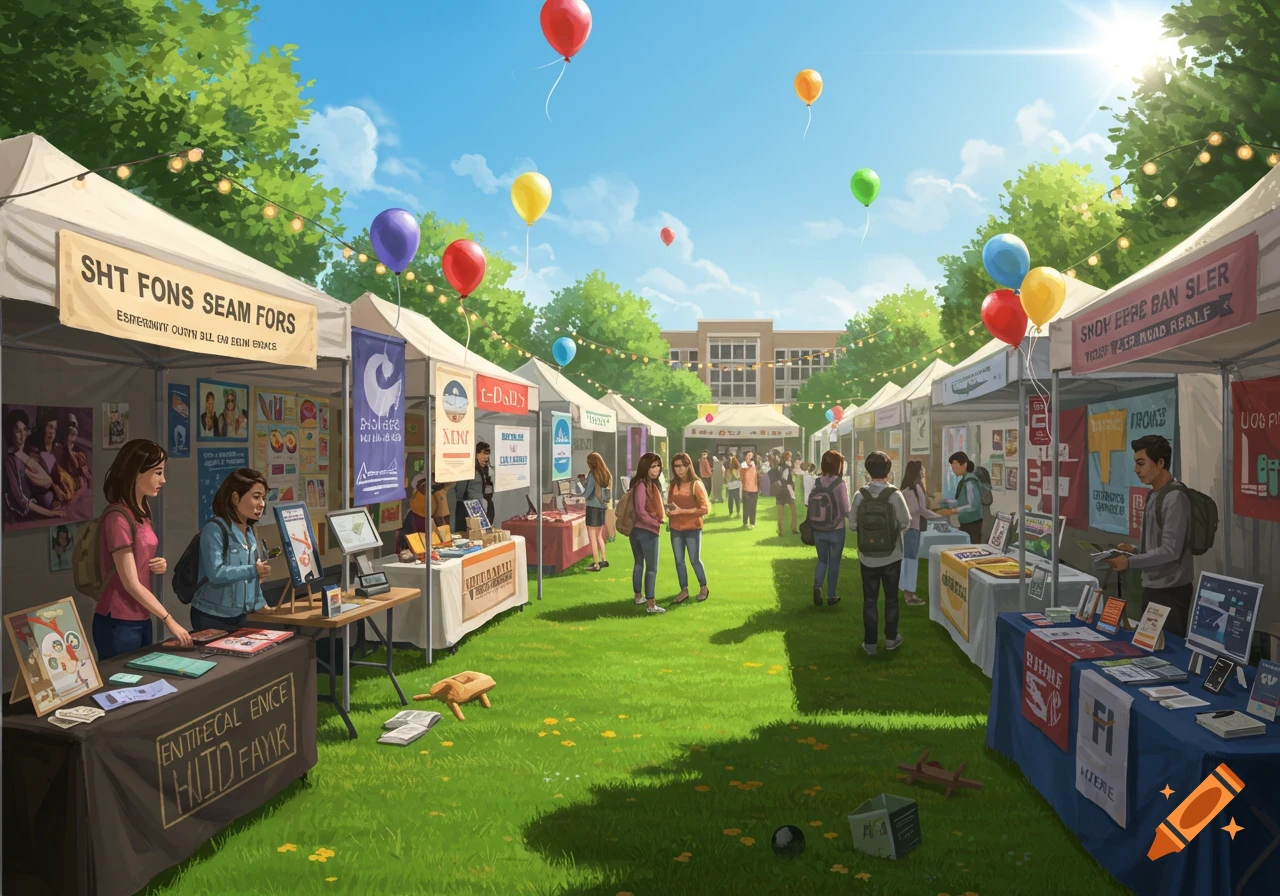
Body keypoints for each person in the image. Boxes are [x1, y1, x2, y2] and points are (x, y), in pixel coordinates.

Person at [93, 439, 191, 659]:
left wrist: (156, 563)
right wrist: (169, 620)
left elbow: (140, 555)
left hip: (141, 615)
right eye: (157, 472)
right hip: (118, 618)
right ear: (137, 472)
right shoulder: (117, 517)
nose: (163, 480)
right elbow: (130, 582)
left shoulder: (143, 510)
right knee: (122, 686)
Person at [1106, 435, 1194, 637]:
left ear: (1160, 462)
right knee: (1149, 650)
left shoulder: (1176, 498)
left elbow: (1170, 551)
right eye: (1136, 464)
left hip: (1171, 592)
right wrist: (1134, 551)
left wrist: (1130, 563)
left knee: (1169, 654)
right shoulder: (1153, 494)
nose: (1136, 470)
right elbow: (1159, 546)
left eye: (1141, 463)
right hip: (1152, 588)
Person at [190, 468, 272, 632]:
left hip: (239, 615)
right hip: (211, 616)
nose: (262, 504)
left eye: (263, 498)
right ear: (235, 498)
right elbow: (216, 573)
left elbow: (252, 579)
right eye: (256, 497)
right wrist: (253, 570)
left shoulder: (248, 531)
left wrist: (259, 603)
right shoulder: (214, 529)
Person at [851, 451, 911, 655]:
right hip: (892, 554)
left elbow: (852, 525)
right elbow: (905, 522)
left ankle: (870, 644)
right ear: (888, 470)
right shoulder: (895, 494)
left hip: (867, 556)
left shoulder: (860, 495)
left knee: (870, 600)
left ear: (867, 471)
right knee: (891, 598)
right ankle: (891, 639)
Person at [3, 408, 62, 523]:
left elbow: (45, 480)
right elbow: (19, 498)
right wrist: (50, 513)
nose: (22, 435)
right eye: (18, 431)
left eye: (24, 429)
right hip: (20, 511)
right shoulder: (10, 460)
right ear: (11, 433)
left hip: (37, 501)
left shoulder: (27, 453)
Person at [808, 450, 851, 607]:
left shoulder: (817, 482)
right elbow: (846, 509)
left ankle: (817, 586)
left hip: (818, 528)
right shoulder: (839, 484)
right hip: (836, 528)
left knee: (821, 560)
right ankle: (831, 595)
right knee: (834, 563)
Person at [666, 452, 710, 604]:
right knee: (679, 560)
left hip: (692, 528)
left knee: (694, 559)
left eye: (682, 465)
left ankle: (703, 587)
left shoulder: (696, 484)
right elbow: (670, 503)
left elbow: (705, 509)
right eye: (676, 466)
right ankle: (683, 590)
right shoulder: (672, 484)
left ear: (688, 465)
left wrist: (682, 511)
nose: (679, 469)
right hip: (675, 528)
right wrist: (668, 511)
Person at [899, 459, 943, 606]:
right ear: (918, 472)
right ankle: (910, 594)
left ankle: (906, 591)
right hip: (912, 529)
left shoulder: (905, 488)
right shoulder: (916, 488)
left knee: (906, 561)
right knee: (911, 562)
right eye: (922, 469)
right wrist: (940, 516)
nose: (924, 471)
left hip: (905, 529)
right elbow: (921, 510)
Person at [628, 452, 666, 615]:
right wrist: (657, 521)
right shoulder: (643, 485)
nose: (656, 469)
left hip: (636, 530)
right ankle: (651, 604)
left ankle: (638, 596)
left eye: (658, 466)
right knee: (651, 568)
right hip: (646, 531)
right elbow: (641, 511)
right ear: (645, 467)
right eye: (653, 466)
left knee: (639, 563)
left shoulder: (639, 483)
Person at [938, 452, 984, 544]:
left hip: (972, 525)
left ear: (965, 465)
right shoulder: (964, 480)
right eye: (952, 466)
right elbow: (962, 501)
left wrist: (953, 511)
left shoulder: (970, 482)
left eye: (955, 465)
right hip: (965, 523)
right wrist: (948, 502)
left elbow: (972, 505)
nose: (953, 468)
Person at [456, 441, 496, 530]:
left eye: (488, 454)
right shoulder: (469, 469)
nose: (486, 457)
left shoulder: (487, 470)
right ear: (476, 454)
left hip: (486, 505)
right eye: (483, 454)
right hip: (472, 506)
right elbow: (460, 491)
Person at [583, 452, 612, 572]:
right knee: (599, 535)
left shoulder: (592, 474)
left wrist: (580, 496)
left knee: (592, 536)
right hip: (602, 507)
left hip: (592, 507)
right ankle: (603, 560)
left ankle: (595, 563)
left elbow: (589, 491)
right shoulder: (606, 473)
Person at [775, 450, 798, 536]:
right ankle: (793, 528)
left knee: (780, 512)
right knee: (793, 510)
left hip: (779, 490)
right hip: (787, 490)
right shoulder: (787, 468)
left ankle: (780, 530)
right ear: (788, 458)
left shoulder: (778, 466)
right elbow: (786, 479)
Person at [740, 450, 760, 529]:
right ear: (745, 456)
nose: (750, 457)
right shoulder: (743, 464)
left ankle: (752, 523)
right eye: (748, 455)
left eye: (751, 455)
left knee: (753, 507)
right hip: (746, 489)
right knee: (746, 507)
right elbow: (744, 467)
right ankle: (745, 522)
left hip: (754, 489)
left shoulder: (754, 464)